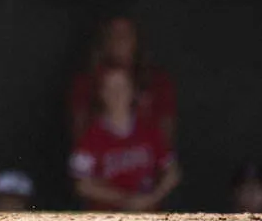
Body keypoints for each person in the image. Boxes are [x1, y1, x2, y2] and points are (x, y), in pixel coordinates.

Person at [70, 66, 181, 211]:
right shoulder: (91, 136)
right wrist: (124, 199)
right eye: (110, 89)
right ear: (102, 94)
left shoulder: (149, 129)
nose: (117, 94)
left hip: (148, 218)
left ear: (132, 91)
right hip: (109, 219)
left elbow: (172, 172)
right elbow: (82, 184)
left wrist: (152, 198)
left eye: (121, 87)